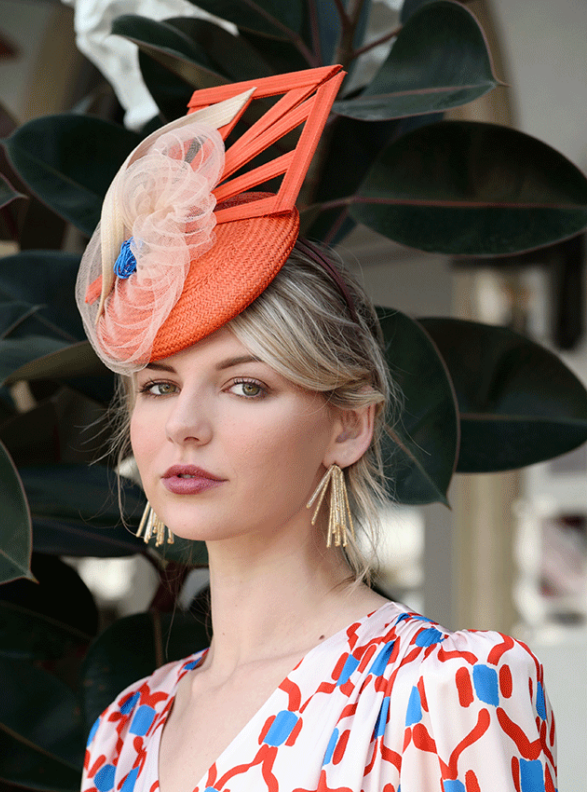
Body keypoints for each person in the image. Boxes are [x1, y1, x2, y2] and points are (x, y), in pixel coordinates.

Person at [77, 67, 557, 792]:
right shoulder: (127, 729)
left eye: (246, 384)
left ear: (348, 427)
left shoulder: (447, 691)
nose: (183, 424)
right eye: (158, 385)